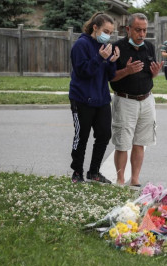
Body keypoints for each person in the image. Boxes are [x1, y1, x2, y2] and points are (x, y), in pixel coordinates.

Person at [110, 13, 163, 187]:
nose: (141, 34)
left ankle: (134, 179)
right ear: (128, 29)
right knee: (123, 143)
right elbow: (110, 77)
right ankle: (120, 179)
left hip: (146, 100)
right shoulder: (117, 48)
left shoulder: (149, 46)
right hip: (125, 101)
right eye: (138, 30)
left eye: (144, 30)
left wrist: (155, 73)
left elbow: (151, 72)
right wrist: (126, 71)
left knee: (140, 142)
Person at [69, 12, 120, 183]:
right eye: (106, 30)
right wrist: (100, 57)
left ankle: (94, 172)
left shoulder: (106, 47)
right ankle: (77, 173)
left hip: (102, 98)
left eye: (111, 32)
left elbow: (109, 76)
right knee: (82, 136)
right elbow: (83, 71)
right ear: (95, 28)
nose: (108, 35)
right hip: (82, 98)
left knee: (104, 135)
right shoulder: (81, 45)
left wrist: (112, 61)